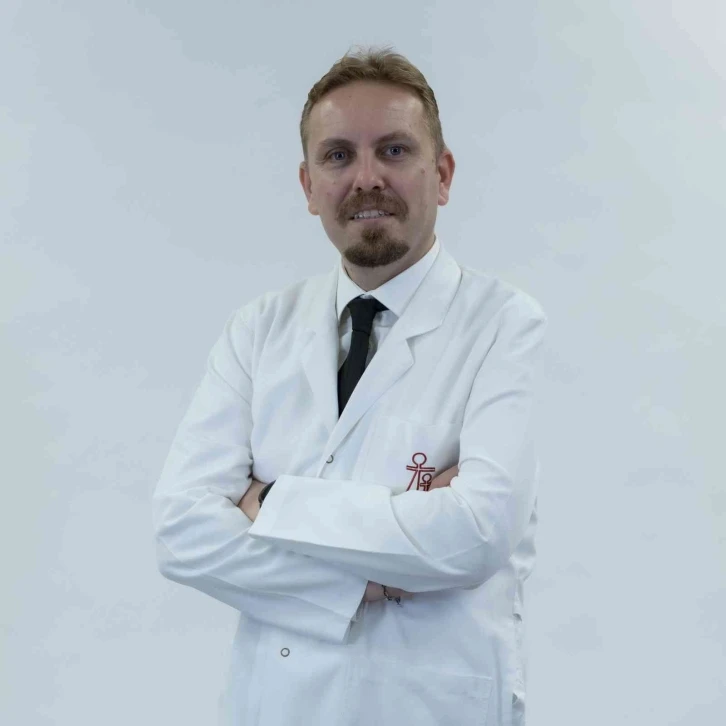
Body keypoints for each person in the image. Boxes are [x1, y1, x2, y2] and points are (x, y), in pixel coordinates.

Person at [152, 44, 547, 726]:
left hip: (430, 706)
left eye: (394, 150)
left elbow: (477, 533)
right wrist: (366, 578)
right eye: (339, 156)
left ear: (442, 174)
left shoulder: (503, 324)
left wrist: (271, 502)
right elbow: (182, 532)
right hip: (275, 705)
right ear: (309, 187)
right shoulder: (259, 329)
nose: (367, 178)